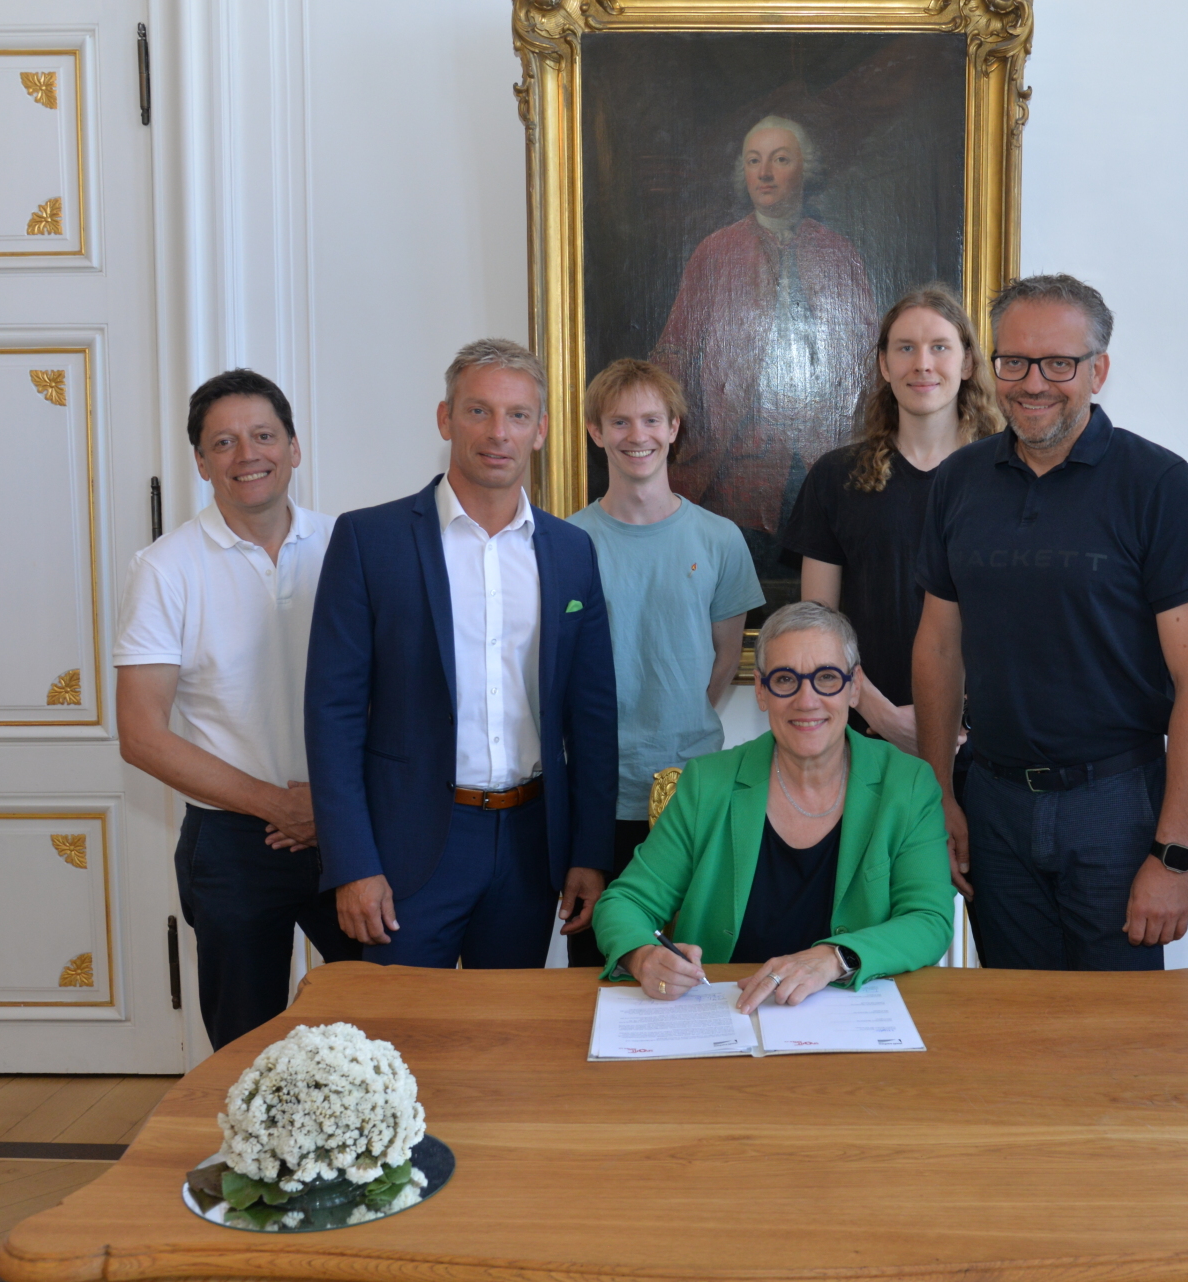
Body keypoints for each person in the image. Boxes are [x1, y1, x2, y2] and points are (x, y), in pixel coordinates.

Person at [911, 274, 1188, 971]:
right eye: (1014, 361)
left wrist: (1172, 855)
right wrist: (939, 797)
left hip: (1116, 808)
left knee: (1117, 1043)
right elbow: (937, 649)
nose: (1033, 383)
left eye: (1059, 363)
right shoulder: (959, 482)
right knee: (1015, 1032)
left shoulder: (1160, 486)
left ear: (1098, 371)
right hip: (991, 801)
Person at [304, 339, 617, 968]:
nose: (498, 432)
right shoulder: (370, 541)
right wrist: (354, 863)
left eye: (518, 415)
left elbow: (593, 718)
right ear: (446, 418)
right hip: (408, 848)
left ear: (541, 431)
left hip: (531, 849)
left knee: (503, 1048)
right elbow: (331, 716)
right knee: (400, 1046)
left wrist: (589, 852)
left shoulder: (570, 551)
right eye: (479, 411)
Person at [115, 369, 362, 1050]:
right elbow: (140, 735)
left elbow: (395, 699)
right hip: (233, 845)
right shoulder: (165, 569)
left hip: (348, 833)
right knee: (246, 1052)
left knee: (386, 1027)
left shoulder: (351, 546)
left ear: (294, 447)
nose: (247, 455)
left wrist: (330, 806)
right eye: (223, 443)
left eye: (262, 436)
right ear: (200, 462)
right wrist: (275, 805)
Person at [592, 602, 953, 1014]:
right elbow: (625, 903)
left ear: (854, 687)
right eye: (786, 679)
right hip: (727, 1014)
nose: (807, 699)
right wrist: (641, 955)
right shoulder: (708, 783)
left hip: (852, 1019)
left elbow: (928, 917)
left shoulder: (907, 783)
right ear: (762, 691)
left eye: (827, 678)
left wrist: (836, 958)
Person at [563, 358, 766, 968]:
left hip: (693, 791)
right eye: (619, 421)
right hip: (596, 797)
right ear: (596, 432)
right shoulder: (566, 542)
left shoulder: (720, 539)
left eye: (651, 419)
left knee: (695, 963)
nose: (637, 435)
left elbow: (726, 658)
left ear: (674, 427)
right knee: (603, 969)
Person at [652, 114, 879, 593]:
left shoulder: (838, 253)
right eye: (754, 161)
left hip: (818, 459)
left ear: (804, 169)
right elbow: (675, 348)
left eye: (780, 159)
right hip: (732, 460)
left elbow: (865, 363)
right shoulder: (715, 252)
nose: (765, 173)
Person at [783, 284, 1004, 755]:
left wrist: (954, 720)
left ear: (967, 362)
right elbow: (817, 628)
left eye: (939, 347)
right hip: (867, 738)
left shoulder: (1008, 479)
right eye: (906, 348)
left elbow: (1030, 619)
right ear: (885, 365)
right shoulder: (834, 478)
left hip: (988, 747)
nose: (922, 363)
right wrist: (881, 715)